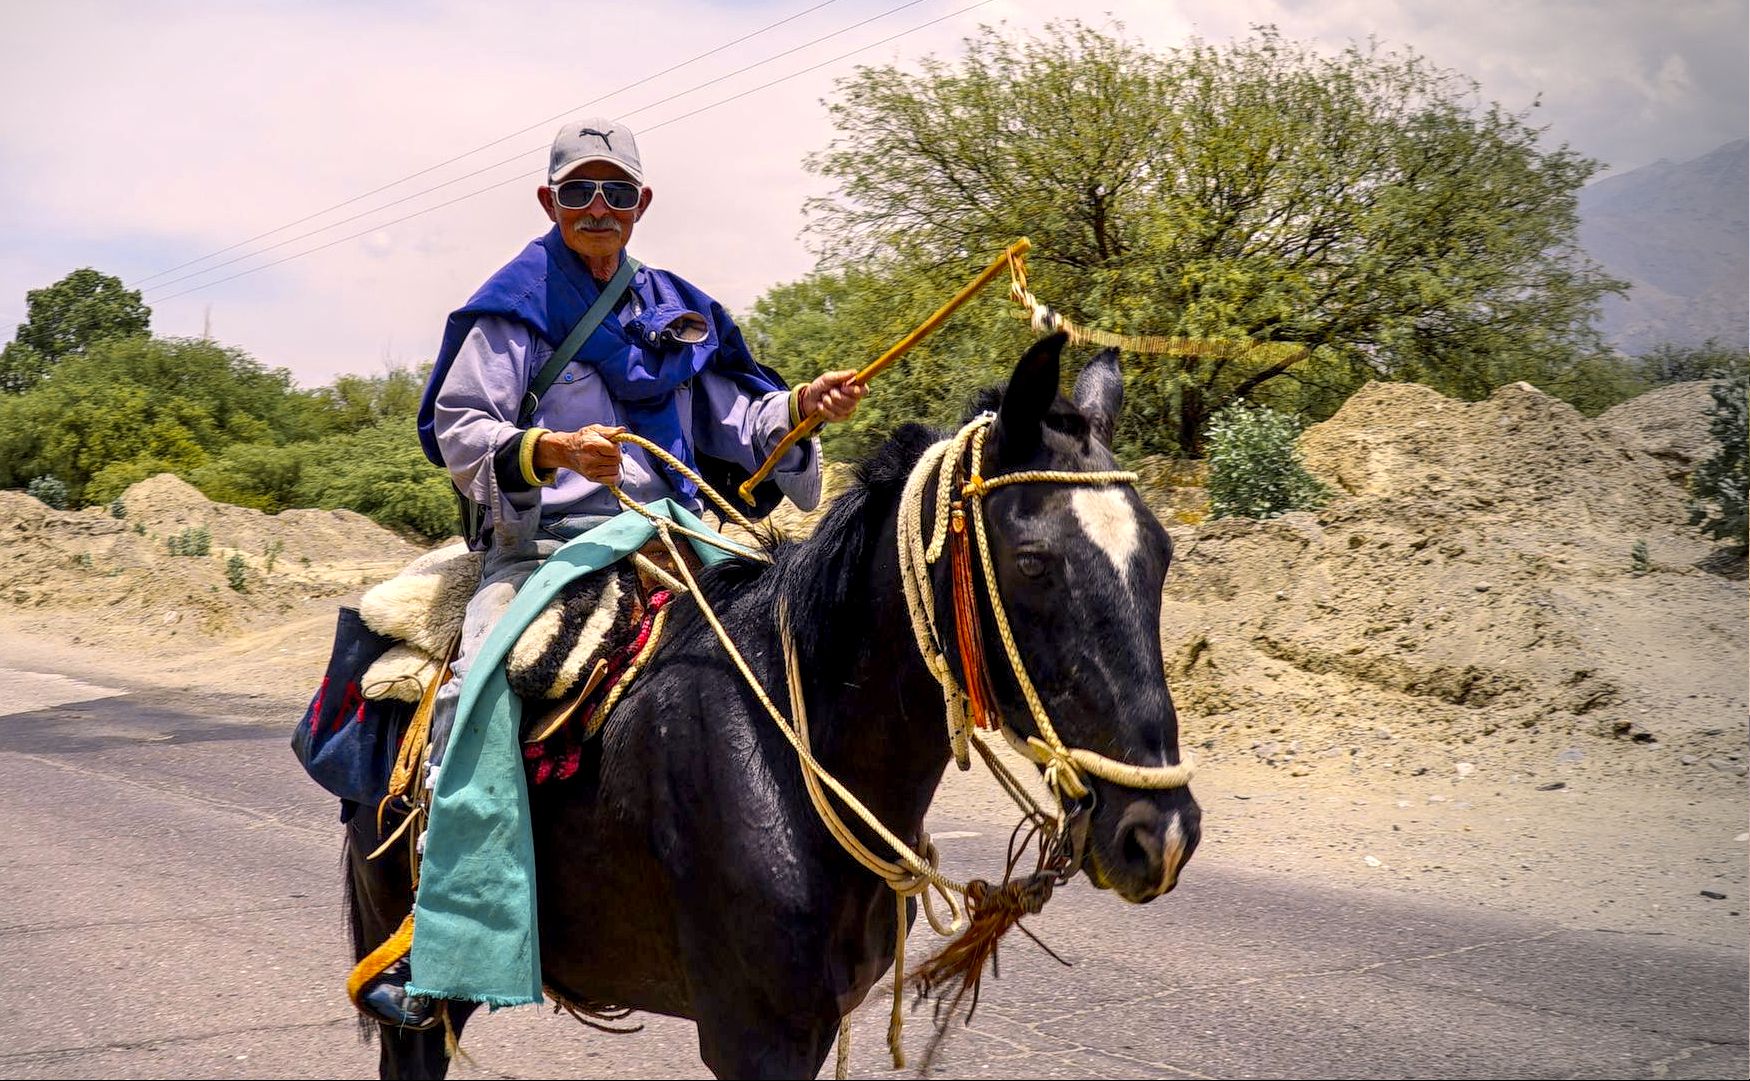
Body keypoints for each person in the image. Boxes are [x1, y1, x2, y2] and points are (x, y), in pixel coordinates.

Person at [355, 117, 865, 1028]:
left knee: (815, 647)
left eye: (617, 192)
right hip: (547, 546)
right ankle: (440, 938)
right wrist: (549, 446)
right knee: (482, 687)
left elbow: (741, 425)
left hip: (680, 538)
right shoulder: (512, 304)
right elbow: (464, 426)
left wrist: (799, 407)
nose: (599, 207)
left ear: (642, 205)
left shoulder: (677, 306)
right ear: (550, 202)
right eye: (581, 191)